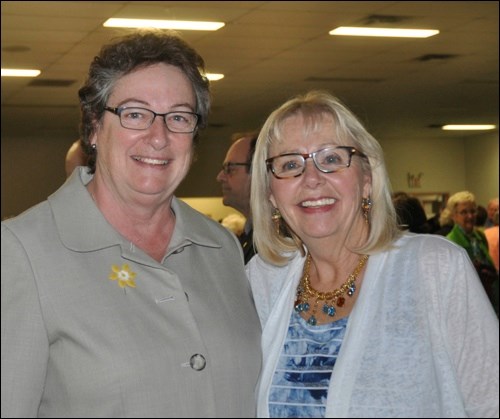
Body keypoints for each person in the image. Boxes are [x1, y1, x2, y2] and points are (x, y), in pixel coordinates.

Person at [1, 30, 261, 418]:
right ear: (94, 127)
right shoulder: (22, 252)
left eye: (178, 117)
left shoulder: (220, 247)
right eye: (135, 114)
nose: (159, 137)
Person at [246, 90, 499, 417]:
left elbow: (491, 401)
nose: (311, 179)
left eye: (332, 159)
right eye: (290, 164)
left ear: (366, 178)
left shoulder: (433, 267)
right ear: (270, 194)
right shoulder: (264, 279)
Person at [445, 190, 498, 311]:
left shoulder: (480, 236)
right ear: (454, 215)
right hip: (466, 304)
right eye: (464, 212)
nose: (470, 216)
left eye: (473, 211)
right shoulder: (449, 242)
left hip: (488, 299)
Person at [216, 130, 259, 264]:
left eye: (230, 168)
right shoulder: (251, 236)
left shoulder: (278, 243)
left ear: (258, 171)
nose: (219, 177)